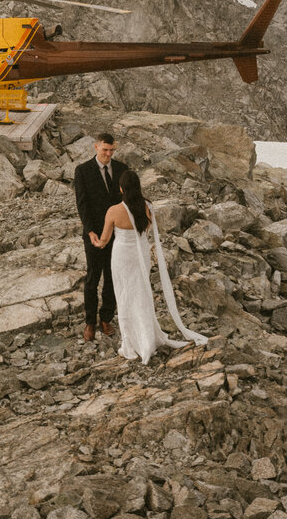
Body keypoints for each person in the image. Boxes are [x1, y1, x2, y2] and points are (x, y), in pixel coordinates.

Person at [91, 169, 207, 364]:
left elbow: (103, 241)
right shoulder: (148, 207)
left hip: (122, 256)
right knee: (142, 293)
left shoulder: (114, 211)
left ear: (121, 189)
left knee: (125, 295)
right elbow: (145, 232)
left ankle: (132, 342)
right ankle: (147, 336)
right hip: (141, 254)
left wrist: (93, 238)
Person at [74, 132, 127, 341]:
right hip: (94, 234)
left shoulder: (122, 169)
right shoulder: (83, 171)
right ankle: (89, 322)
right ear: (96, 147)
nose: (108, 154)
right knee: (92, 278)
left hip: (117, 234)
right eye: (105, 150)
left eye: (112, 150)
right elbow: (82, 203)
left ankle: (106, 318)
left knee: (113, 277)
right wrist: (90, 231)